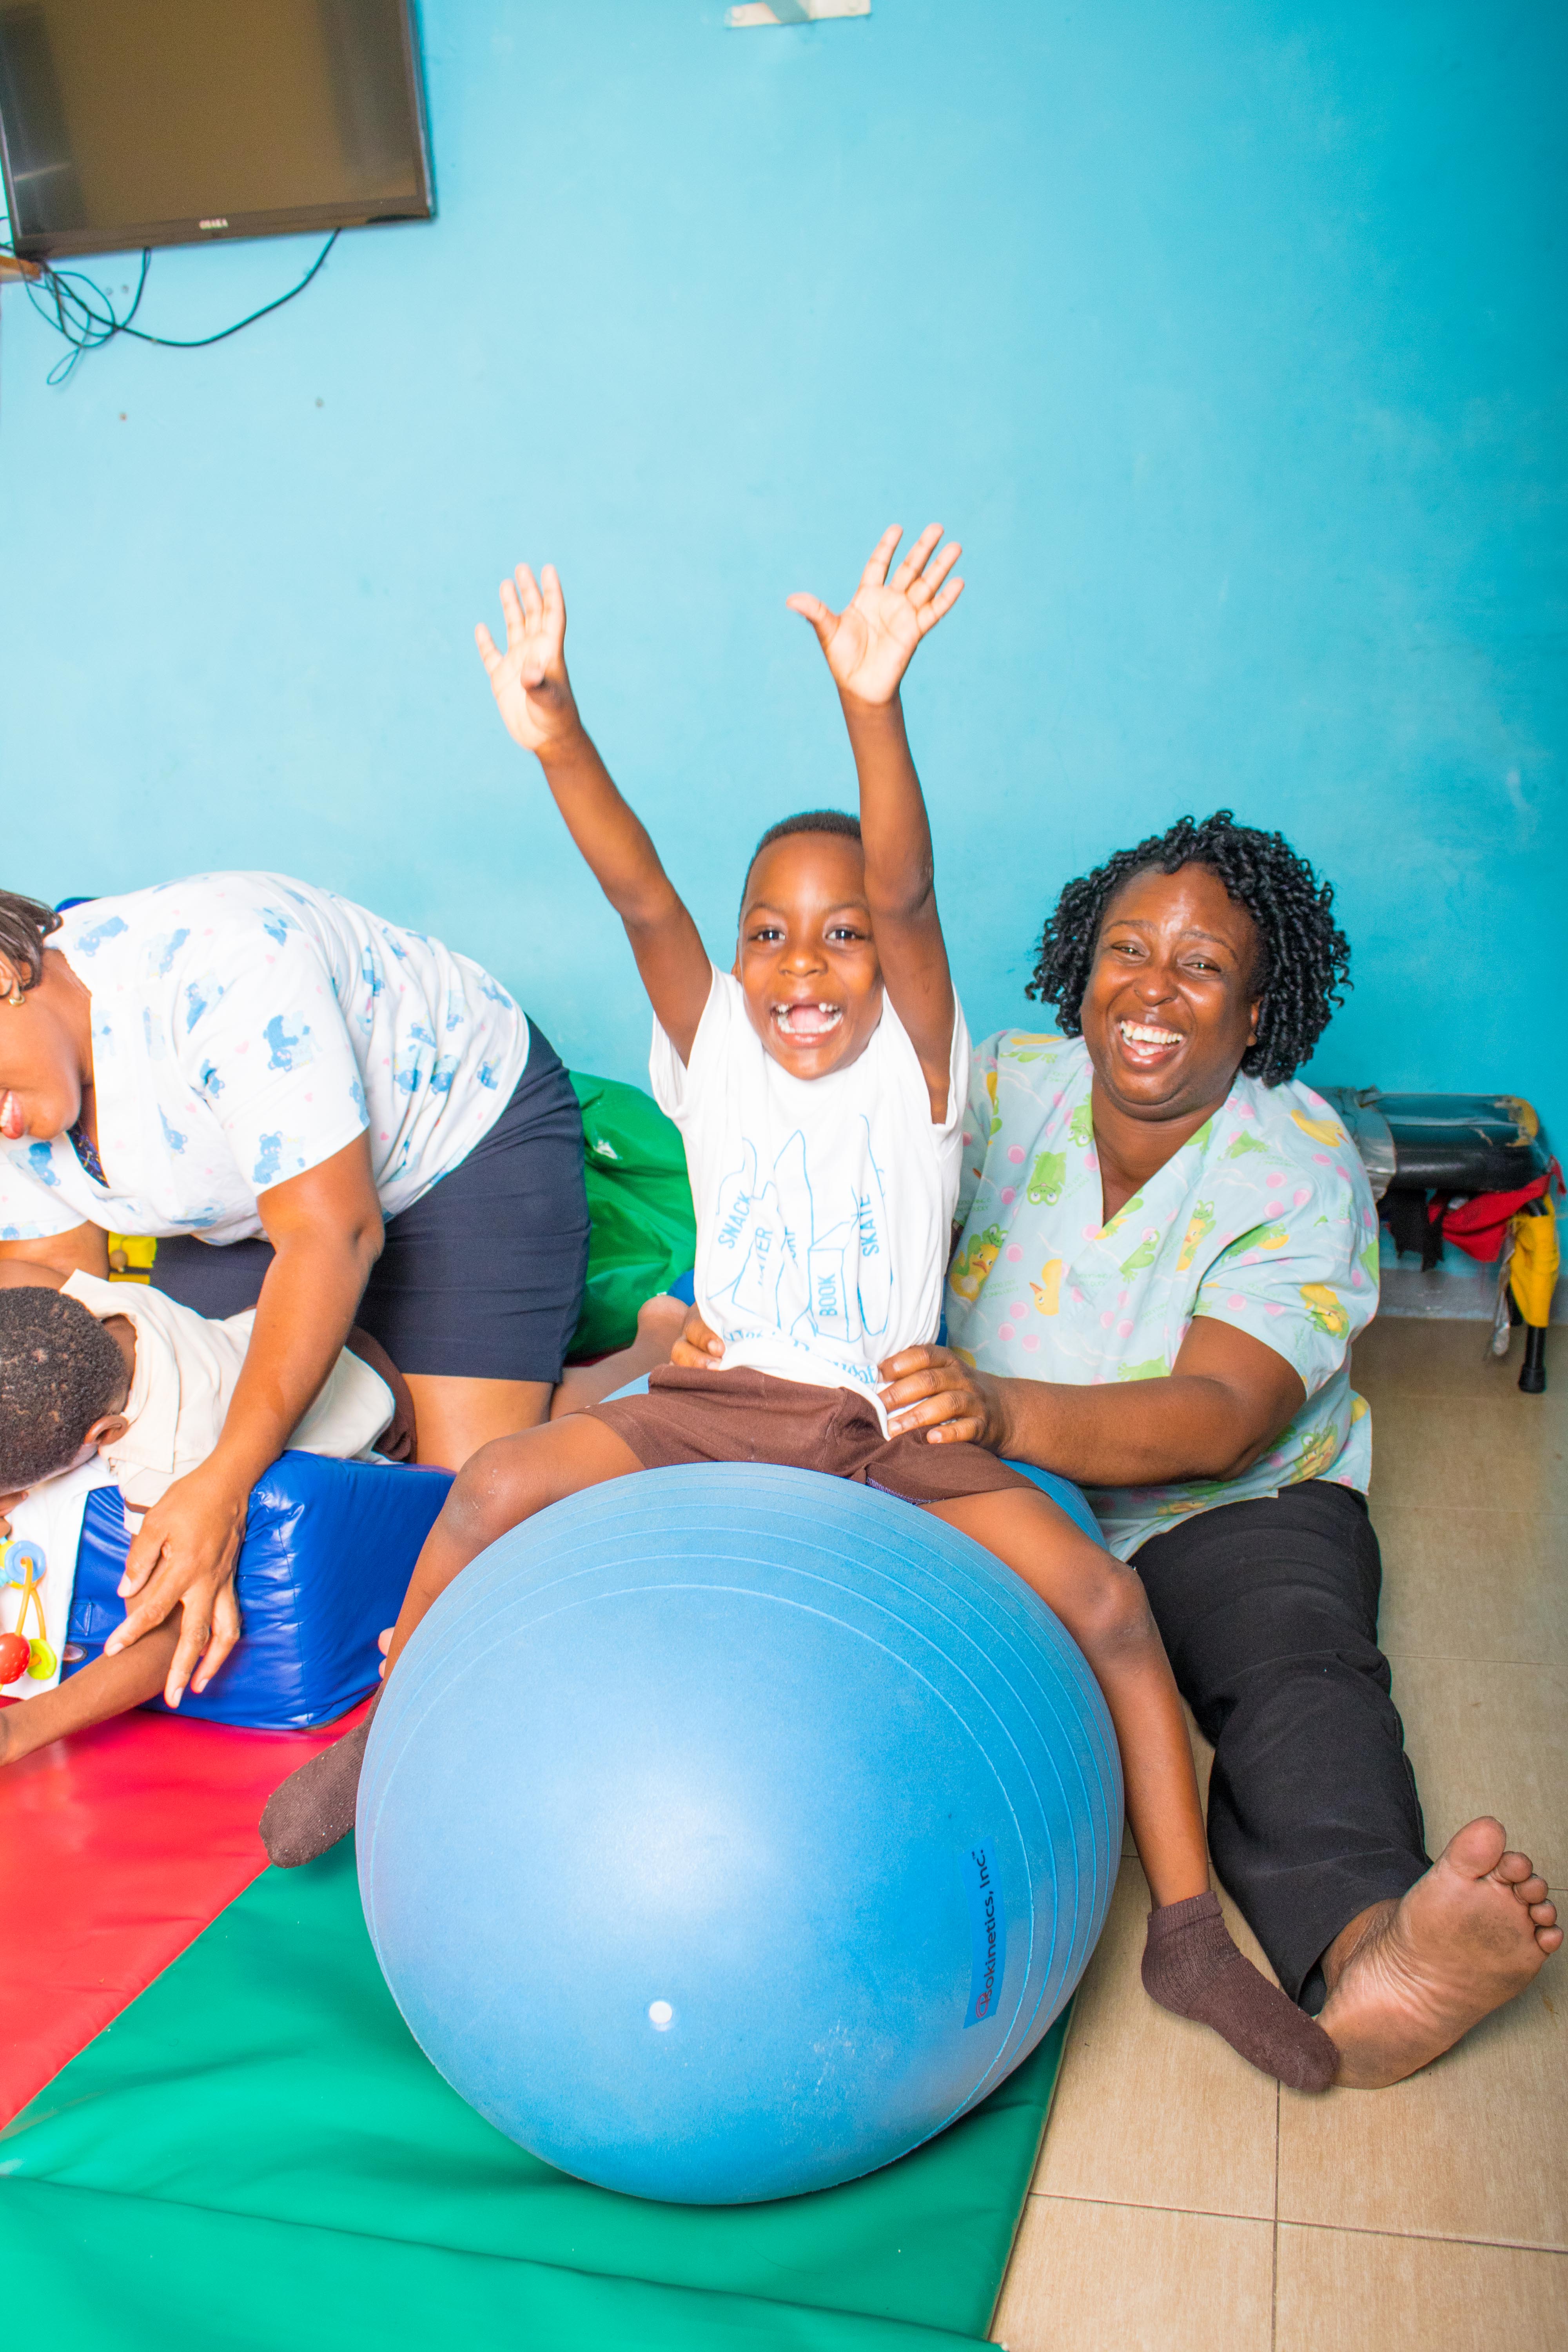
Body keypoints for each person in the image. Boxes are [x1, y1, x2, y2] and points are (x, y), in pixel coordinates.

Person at [262, 528, 1341, 2093]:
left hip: (884, 1423)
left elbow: (903, 890)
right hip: (717, 1402)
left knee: (1108, 1608)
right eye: (769, 931)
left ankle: (1185, 1934)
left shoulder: (925, 1070)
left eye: (837, 936)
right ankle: (384, 1725)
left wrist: (872, 705)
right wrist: (558, 731)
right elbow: (636, 889)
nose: (802, 963)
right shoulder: (709, 1048)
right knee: (492, 1487)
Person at [755, 809, 1556, 2091]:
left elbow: (1220, 1413)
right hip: (987, 1481)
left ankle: (1376, 1946)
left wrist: (1004, 1409)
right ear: (1082, 969)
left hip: (1226, 1503)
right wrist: (722, 1312)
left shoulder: (1297, 1163)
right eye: (1129, 951)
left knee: (1292, 1672)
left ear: (1256, 1015)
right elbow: (823, 1182)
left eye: (1203, 967)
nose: (1154, 990)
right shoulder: (1002, 1086)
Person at [0, 870, 597, 1715]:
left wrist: (224, 1480)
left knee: (452, 1518)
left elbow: (334, 1234)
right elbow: (61, 1284)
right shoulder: (23, 1087)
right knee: (203, 1415)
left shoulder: (217, 965)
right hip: (246, 1202)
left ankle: (633, 1354)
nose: (5, 1130)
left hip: (451, 1141)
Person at [0, 1269, 404, 1764]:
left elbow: (166, 1631)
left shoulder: (168, 1456)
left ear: (107, 1433)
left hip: (368, 1394)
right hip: (257, 1334)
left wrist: (16, 1731)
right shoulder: (83, 1311)